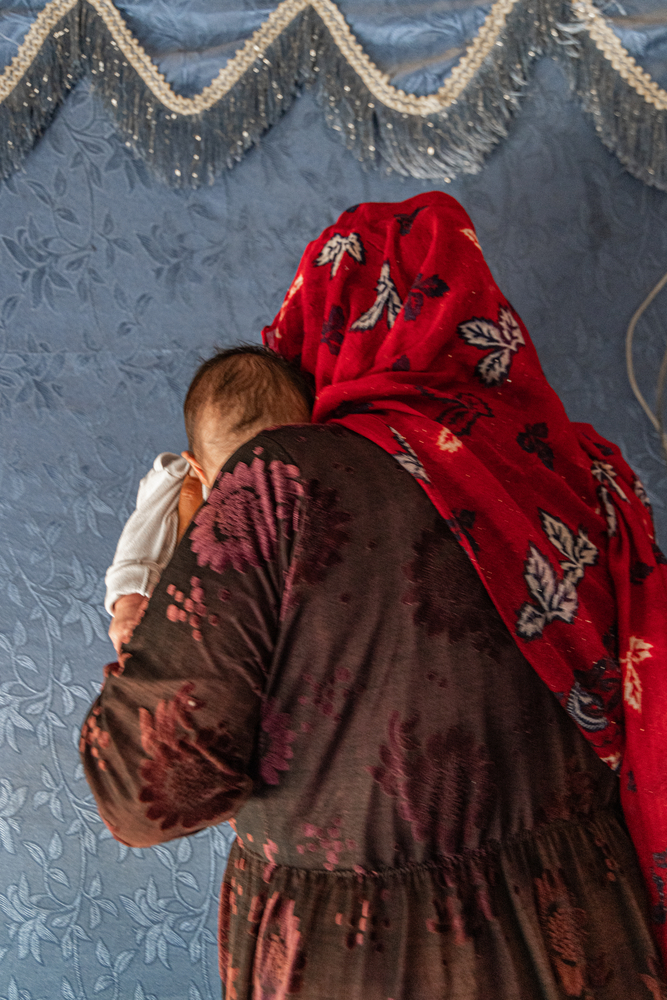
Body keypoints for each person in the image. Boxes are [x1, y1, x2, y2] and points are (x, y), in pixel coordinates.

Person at [81, 192, 667, 999]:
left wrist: (137, 614)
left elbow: (148, 790)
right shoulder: (584, 475)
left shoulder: (280, 479)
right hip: (587, 935)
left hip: (361, 961)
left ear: (317, 327)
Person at [104, 346, 312, 654]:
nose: (255, 500)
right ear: (198, 469)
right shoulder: (177, 484)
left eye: (275, 478)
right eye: (235, 483)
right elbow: (140, 542)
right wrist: (131, 601)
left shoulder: (310, 496)